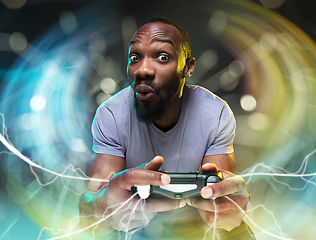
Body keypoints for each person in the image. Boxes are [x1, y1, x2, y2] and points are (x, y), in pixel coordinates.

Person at [78, 17, 251, 239]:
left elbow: (222, 198)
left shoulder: (214, 112)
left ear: (188, 67)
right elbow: (90, 202)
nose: (143, 70)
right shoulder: (111, 113)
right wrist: (100, 206)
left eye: (162, 57)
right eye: (135, 57)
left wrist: (228, 215)